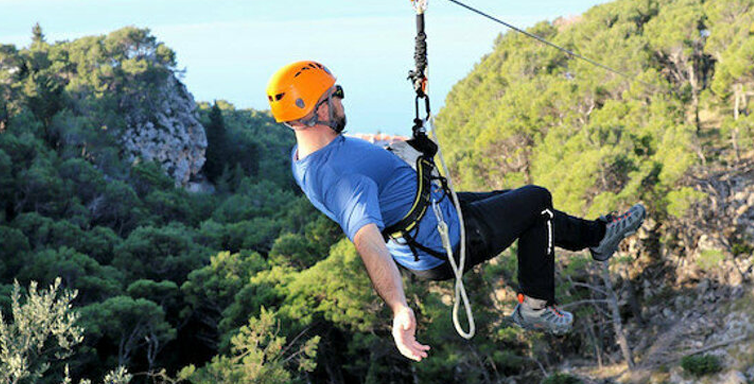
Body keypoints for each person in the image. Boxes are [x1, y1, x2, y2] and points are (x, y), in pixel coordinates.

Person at [265, 60, 646, 362]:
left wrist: (399, 146)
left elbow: (355, 146)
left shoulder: (306, 153)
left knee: (526, 209)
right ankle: (535, 305)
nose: (342, 101)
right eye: (336, 94)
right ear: (317, 110)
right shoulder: (342, 179)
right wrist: (398, 308)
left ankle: (599, 237)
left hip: (439, 211)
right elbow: (368, 242)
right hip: (447, 240)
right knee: (536, 199)